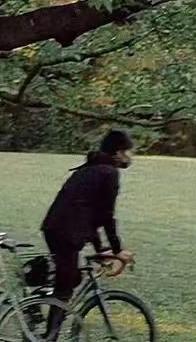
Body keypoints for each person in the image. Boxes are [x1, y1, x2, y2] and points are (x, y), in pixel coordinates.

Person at [40, 130, 136, 341]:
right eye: (129, 151)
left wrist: (101, 248)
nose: (131, 156)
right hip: (67, 231)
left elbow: (90, 213)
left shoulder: (91, 168)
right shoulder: (108, 173)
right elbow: (106, 215)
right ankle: (49, 337)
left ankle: (37, 309)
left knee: (70, 278)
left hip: (55, 228)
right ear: (118, 152)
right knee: (65, 286)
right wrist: (118, 249)